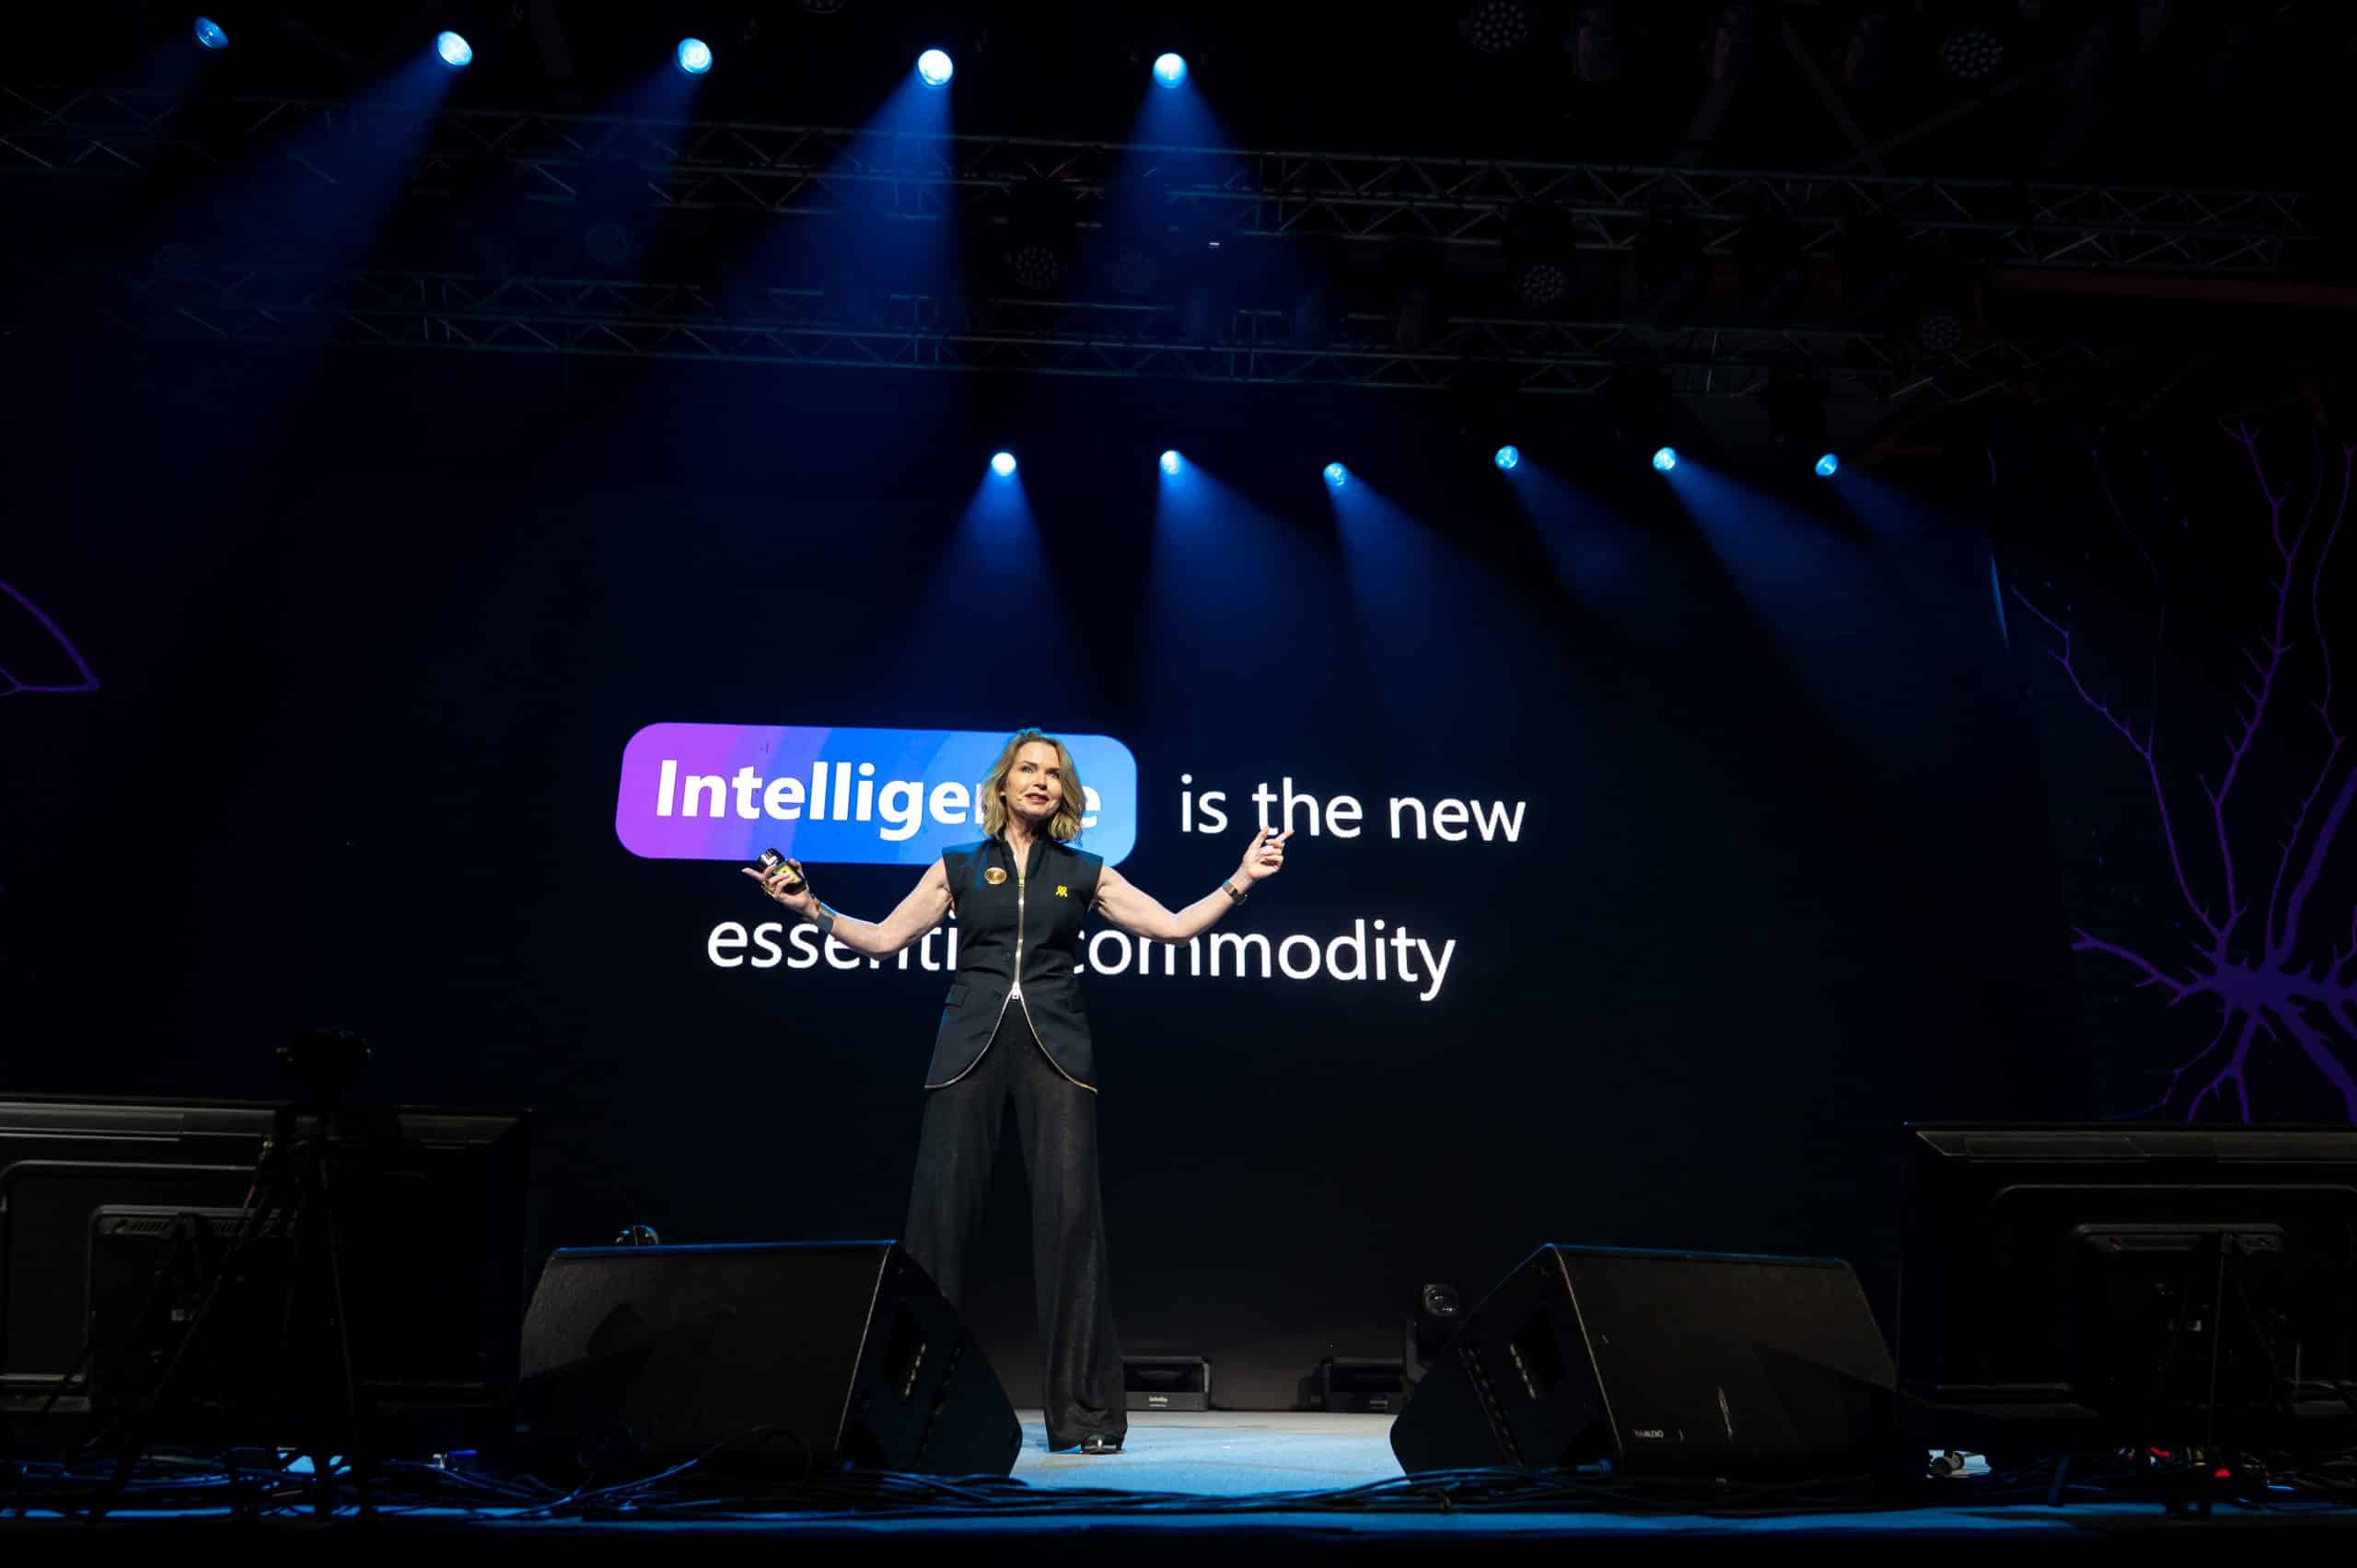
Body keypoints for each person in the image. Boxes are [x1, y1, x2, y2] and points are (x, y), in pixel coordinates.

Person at [744, 728, 1289, 1455]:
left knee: (1072, 1226)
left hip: (1057, 1053)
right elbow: (882, 938)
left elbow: (1172, 927)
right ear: (1003, 784)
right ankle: (911, 1415)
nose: (1039, 780)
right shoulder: (958, 865)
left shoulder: (1085, 870)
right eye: (1027, 769)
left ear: (1064, 792)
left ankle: (1086, 1416)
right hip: (965, 1048)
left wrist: (1241, 878)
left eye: (1052, 774)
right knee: (936, 1229)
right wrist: (808, 906)